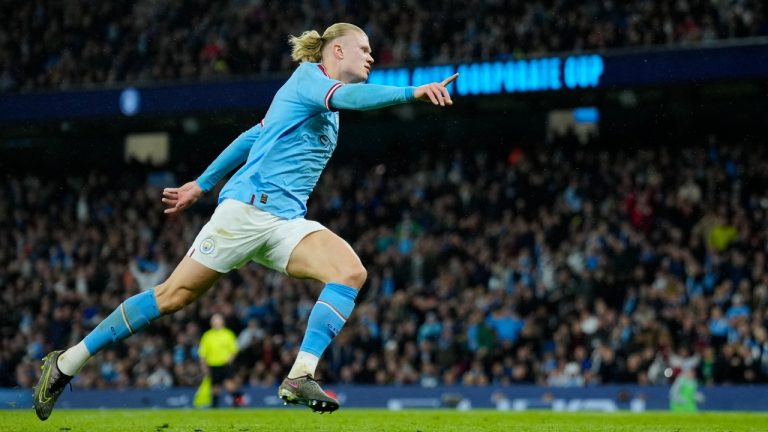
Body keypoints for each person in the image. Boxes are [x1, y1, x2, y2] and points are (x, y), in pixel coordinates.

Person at [33, 22, 457, 420]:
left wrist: (201, 184)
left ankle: (300, 375)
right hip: (247, 211)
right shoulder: (310, 80)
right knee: (171, 297)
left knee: (350, 271)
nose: (370, 57)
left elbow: (253, 136)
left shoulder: (324, 106)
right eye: (364, 49)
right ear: (338, 49)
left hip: (285, 221)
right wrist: (412, 91)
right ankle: (67, 362)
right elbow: (347, 99)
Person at [198, 314, 239, 408]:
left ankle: (238, 402)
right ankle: (214, 406)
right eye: (214, 320)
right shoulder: (207, 335)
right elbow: (202, 352)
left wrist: (230, 360)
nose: (216, 322)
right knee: (215, 387)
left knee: (230, 385)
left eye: (217, 320)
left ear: (222, 322)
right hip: (212, 364)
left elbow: (234, 350)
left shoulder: (228, 334)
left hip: (225, 364)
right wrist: (203, 366)